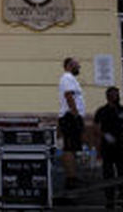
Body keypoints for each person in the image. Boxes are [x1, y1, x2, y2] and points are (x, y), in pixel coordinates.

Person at [93, 86, 123, 210]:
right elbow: (96, 129)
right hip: (107, 148)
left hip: (121, 147)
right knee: (108, 175)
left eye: (118, 94)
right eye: (114, 95)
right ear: (108, 96)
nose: (117, 97)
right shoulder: (102, 111)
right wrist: (102, 141)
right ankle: (110, 200)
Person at [56, 57, 86, 191]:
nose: (79, 67)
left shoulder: (71, 79)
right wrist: (75, 114)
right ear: (69, 65)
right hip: (69, 117)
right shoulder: (67, 78)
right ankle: (70, 178)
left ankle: (73, 176)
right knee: (69, 147)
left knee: (73, 147)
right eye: (76, 65)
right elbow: (69, 96)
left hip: (72, 116)